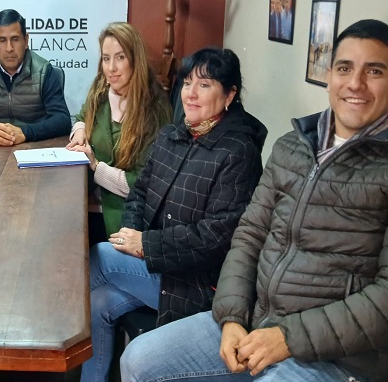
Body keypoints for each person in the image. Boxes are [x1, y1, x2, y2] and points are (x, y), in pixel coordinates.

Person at [120, 19, 388, 382]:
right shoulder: (292, 147)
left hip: (337, 356)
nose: (355, 83)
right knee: (138, 360)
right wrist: (231, 316)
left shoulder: (238, 149)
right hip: (253, 320)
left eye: (374, 71)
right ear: (329, 76)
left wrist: (289, 337)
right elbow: (248, 236)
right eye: (344, 68)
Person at [81, 48, 267, 382]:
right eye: (187, 83)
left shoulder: (239, 152)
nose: (191, 93)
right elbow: (139, 193)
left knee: (98, 258)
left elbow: (216, 236)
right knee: (98, 303)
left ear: (230, 95)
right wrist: (129, 237)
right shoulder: (173, 135)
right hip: (158, 267)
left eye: (204, 85)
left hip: (197, 283)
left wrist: (146, 245)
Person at [66, 22, 171, 244]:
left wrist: (96, 167)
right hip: (84, 205)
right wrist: (80, 131)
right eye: (106, 59)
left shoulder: (156, 111)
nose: (111, 68)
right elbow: (82, 116)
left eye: (120, 57)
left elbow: (142, 185)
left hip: (124, 221)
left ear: (135, 60)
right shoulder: (100, 89)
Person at [0, 9, 71, 145]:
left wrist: (25, 133)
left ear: (26, 40)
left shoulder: (44, 71)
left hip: (34, 146)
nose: (9, 48)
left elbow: (62, 120)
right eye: (2, 40)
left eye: (15, 39)